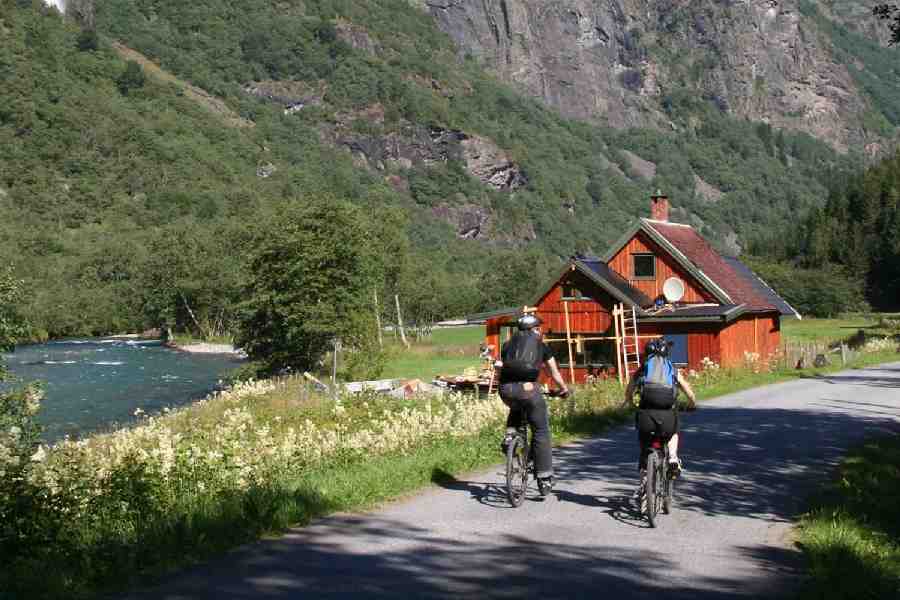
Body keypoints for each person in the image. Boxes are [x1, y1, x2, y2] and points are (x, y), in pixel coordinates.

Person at [494, 313, 569, 495]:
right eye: (538, 328)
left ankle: (510, 435)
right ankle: (544, 478)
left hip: (506, 390)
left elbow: (499, 366)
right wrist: (564, 389)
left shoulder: (507, 345)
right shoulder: (541, 346)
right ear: (535, 329)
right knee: (541, 430)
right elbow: (554, 373)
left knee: (516, 405)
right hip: (529, 391)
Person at [623, 338, 696, 510]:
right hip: (667, 415)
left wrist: (632, 404)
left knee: (644, 450)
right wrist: (692, 403)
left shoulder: (642, 370)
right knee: (673, 430)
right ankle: (672, 456)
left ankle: (643, 489)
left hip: (646, 416)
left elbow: (629, 391)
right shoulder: (671, 369)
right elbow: (687, 390)